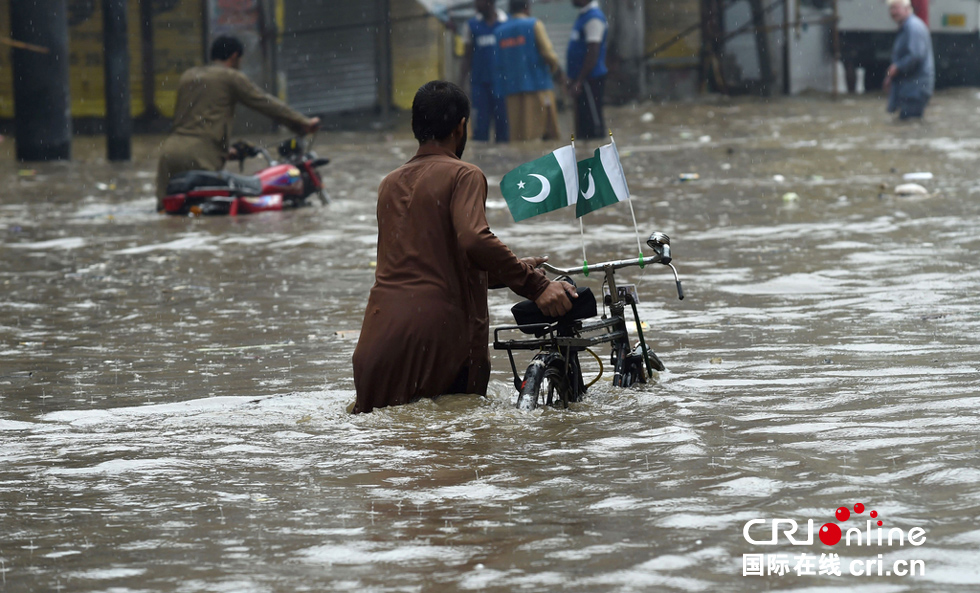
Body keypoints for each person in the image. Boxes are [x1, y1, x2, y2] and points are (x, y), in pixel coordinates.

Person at [351, 81, 576, 414]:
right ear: (461, 127)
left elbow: (423, 266)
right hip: (439, 336)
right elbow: (472, 239)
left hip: (378, 339)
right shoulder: (464, 174)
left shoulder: (390, 183)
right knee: (456, 454)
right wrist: (537, 285)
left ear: (416, 127)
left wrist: (508, 270)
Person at [155, 36, 320, 210]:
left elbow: (195, 121)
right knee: (207, 219)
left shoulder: (188, 76)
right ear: (234, 57)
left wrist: (226, 151)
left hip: (169, 153)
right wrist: (303, 122)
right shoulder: (230, 77)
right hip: (199, 156)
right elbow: (264, 103)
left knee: (167, 212)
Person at [494, 0, 564, 142]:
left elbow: (498, 64)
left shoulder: (499, 32)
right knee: (547, 137)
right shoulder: (534, 24)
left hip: (512, 92)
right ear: (527, 8)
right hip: (539, 88)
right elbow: (549, 54)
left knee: (519, 137)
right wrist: (556, 70)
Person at [461, 0, 509, 143]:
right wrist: (460, 85)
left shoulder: (506, 24)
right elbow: (466, 57)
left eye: (478, 1)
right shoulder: (471, 25)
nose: (475, 5)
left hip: (503, 86)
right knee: (480, 131)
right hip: (479, 86)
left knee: (504, 131)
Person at [884, 0, 934, 120]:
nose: (893, 12)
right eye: (891, 9)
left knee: (909, 125)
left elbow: (915, 56)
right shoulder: (908, 26)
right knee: (908, 126)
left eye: (896, 8)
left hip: (915, 89)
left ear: (907, 9)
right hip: (910, 88)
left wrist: (897, 68)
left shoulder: (913, 27)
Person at [567, 0, 608, 140]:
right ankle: (583, 156)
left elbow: (593, 52)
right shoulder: (584, 16)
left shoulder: (594, 17)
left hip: (590, 80)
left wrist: (579, 80)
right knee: (582, 125)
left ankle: (595, 156)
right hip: (582, 80)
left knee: (592, 127)